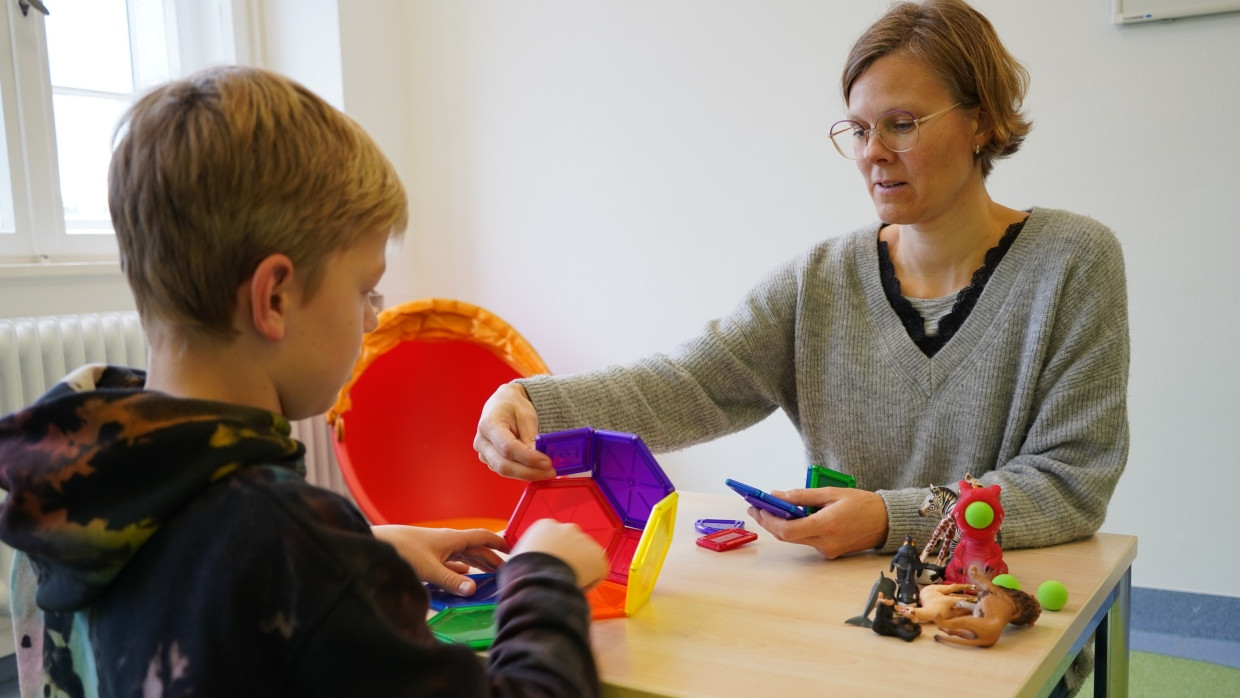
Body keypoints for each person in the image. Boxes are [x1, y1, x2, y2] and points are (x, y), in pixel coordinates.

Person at [0, 66, 607, 697]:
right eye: (365, 290)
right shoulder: (290, 548)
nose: (372, 317)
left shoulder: (78, 483)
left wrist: (358, 550)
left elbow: (194, 576)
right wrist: (544, 580)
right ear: (275, 299)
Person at [475, 0, 1128, 562]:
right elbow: (687, 384)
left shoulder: (1072, 260)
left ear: (981, 120)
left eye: (901, 124)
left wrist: (884, 518)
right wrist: (534, 403)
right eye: (859, 130)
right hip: (845, 612)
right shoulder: (819, 281)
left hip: (994, 612)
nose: (873, 152)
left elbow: (1068, 485)